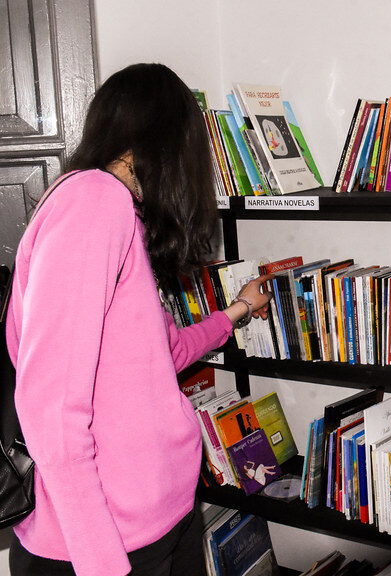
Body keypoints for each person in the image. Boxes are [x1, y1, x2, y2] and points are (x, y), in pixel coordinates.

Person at [4, 63, 273, 575]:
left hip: (162, 517)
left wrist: (237, 310)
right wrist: (103, 563)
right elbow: (50, 408)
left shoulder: (118, 211)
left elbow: (162, 352)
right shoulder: (93, 201)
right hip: (107, 543)